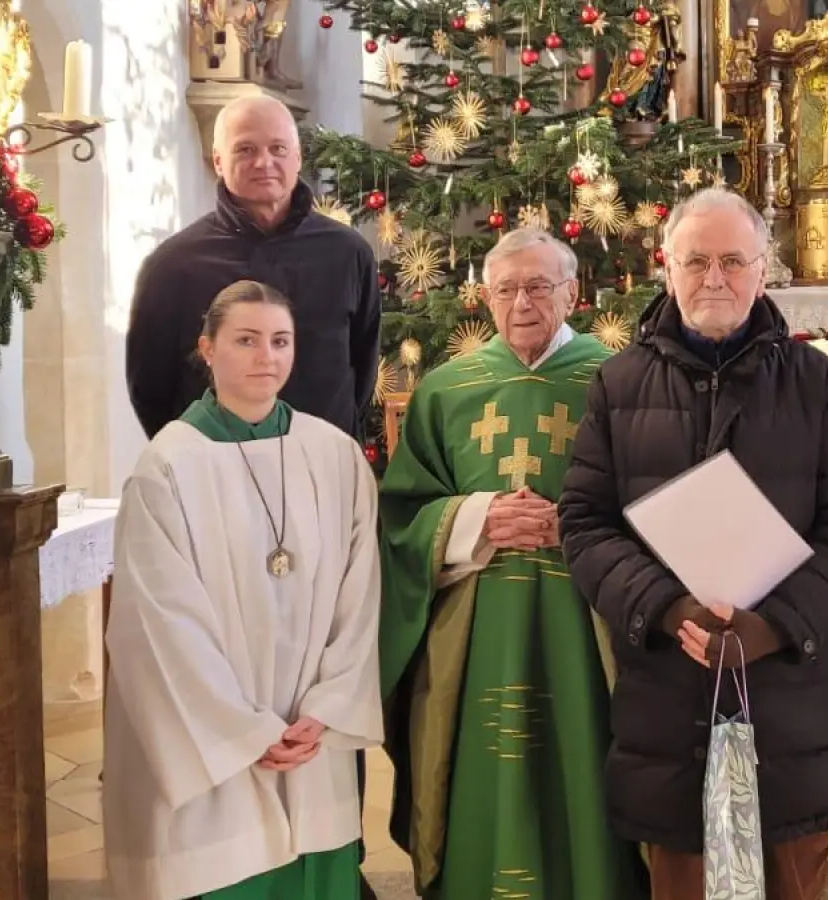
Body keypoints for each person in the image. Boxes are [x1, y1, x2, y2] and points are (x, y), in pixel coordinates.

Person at [558, 186, 828, 900]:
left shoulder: (815, 381)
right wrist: (670, 612)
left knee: (793, 879)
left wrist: (774, 627)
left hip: (790, 692)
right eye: (696, 260)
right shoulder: (617, 385)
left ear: (763, 271)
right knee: (685, 882)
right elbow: (583, 522)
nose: (714, 278)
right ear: (666, 267)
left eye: (733, 261)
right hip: (671, 692)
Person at [377, 228, 647, 900]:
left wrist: (580, 523)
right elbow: (402, 516)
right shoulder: (445, 391)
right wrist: (476, 520)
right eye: (506, 289)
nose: (522, 302)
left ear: (574, 293)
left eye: (539, 286)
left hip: (587, 626)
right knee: (479, 771)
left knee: (587, 761)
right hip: (477, 626)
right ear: (484, 298)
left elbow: (656, 494)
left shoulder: (617, 381)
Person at [102, 280, 383, 900]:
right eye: (246, 340)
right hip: (215, 743)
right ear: (209, 349)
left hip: (313, 733)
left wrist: (328, 706)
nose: (267, 356)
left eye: (280, 341)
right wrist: (245, 732)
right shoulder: (169, 465)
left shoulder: (334, 455)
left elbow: (361, 593)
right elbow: (159, 625)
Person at [126, 94, 381, 441]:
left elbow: (362, 371)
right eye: (245, 150)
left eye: (278, 149)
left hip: (321, 465)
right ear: (218, 160)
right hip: (214, 470)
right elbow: (150, 388)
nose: (264, 162)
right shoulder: (172, 265)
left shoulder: (349, 253)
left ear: (297, 157)